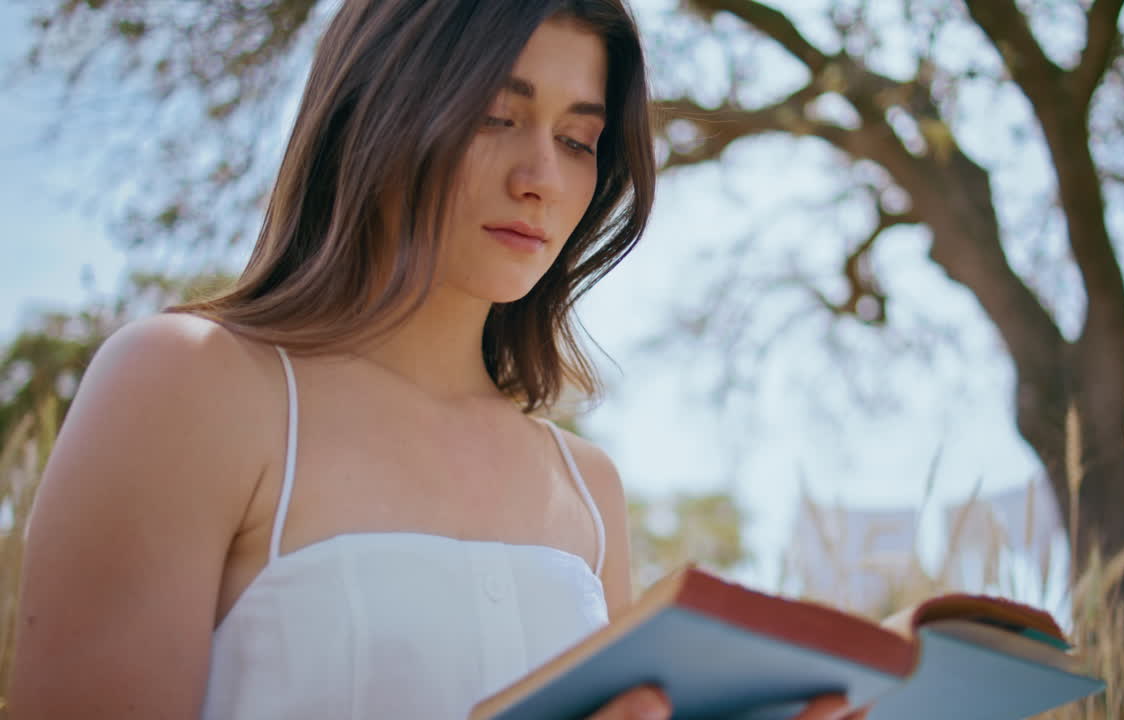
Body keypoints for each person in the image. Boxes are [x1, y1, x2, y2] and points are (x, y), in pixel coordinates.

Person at [9, 1, 860, 718]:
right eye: (495, 116)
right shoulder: (186, 383)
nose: (540, 178)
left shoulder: (587, 487)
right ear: (376, 107)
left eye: (578, 139)